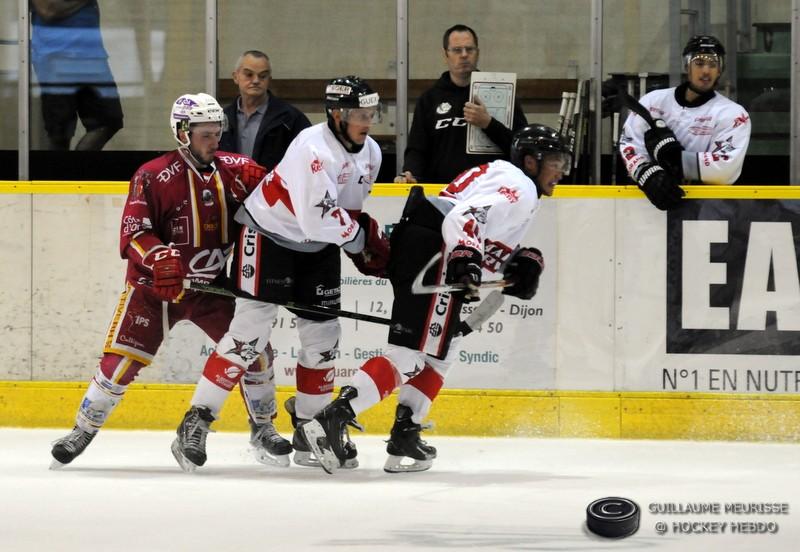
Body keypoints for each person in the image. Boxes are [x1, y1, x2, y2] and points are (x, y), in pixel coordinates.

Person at [302, 124, 570, 474]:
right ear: (531, 161)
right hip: (436, 251)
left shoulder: (506, 176)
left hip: (427, 241)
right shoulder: (521, 188)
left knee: (444, 348)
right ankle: (331, 419)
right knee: (410, 354)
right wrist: (465, 259)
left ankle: (406, 432)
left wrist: (520, 262)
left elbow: (476, 226)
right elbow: (464, 217)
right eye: (555, 162)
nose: (561, 171)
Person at [50, 92, 289, 469]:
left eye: (217, 132)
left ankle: (263, 428)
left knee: (257, 352)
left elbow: (282, 203)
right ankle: (82, 429)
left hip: (211, 289)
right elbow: (134, 232)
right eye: (205, 134)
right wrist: (158, 257)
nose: (214, 140)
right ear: (182, 133)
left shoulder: (238, 171)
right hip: (154, 291)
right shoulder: (152, 175)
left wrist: (276, 190)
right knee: (120, 363)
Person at [171, 76, 389, 472]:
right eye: (360, 114)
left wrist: (361, 238)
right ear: (337, 115)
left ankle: (310, 427)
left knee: (324, 337)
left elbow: (346, 212)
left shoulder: (371, 151)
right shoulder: (311, 147)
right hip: (268, 235)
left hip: (317, 247)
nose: (367, 122)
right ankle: (197, 419)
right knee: (249, 334)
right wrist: (360, 240)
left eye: (371, 113)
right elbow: (316, 217)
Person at [618, 35, 752, 210]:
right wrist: (647, 173)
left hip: (705, 208)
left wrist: (677, 160)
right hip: (648, 201)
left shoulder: (732, 114)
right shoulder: (653, 101)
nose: (706, 71)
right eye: (699, 63)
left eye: (713, 65)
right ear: (687, 66)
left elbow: (726, 167)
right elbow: (630, 142)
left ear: (720, 70)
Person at [394, 24, 528, 184]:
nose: (464, 55)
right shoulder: (429, 99)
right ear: (446, 55)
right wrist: (410, 173)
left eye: (469, 49)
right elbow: (417, 149)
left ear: (477, 53)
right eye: (457, 50)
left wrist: (489, 124)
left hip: (489, 190)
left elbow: (522, 148)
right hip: (442, 191)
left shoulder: (503, 93)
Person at [30, 0, 123, 150]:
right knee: (59, 132)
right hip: (56, 55)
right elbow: (48, 10)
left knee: (109, 120)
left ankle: (76, 164)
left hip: (91, 54)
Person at [221, 50, 311, 171]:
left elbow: (307, 160)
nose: (256, 80)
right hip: (229, 182)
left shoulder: (290, 119)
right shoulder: (222, 118)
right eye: (249, 74)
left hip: (274, 183)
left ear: (269, 79)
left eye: (262, 76)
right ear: (235, 77)